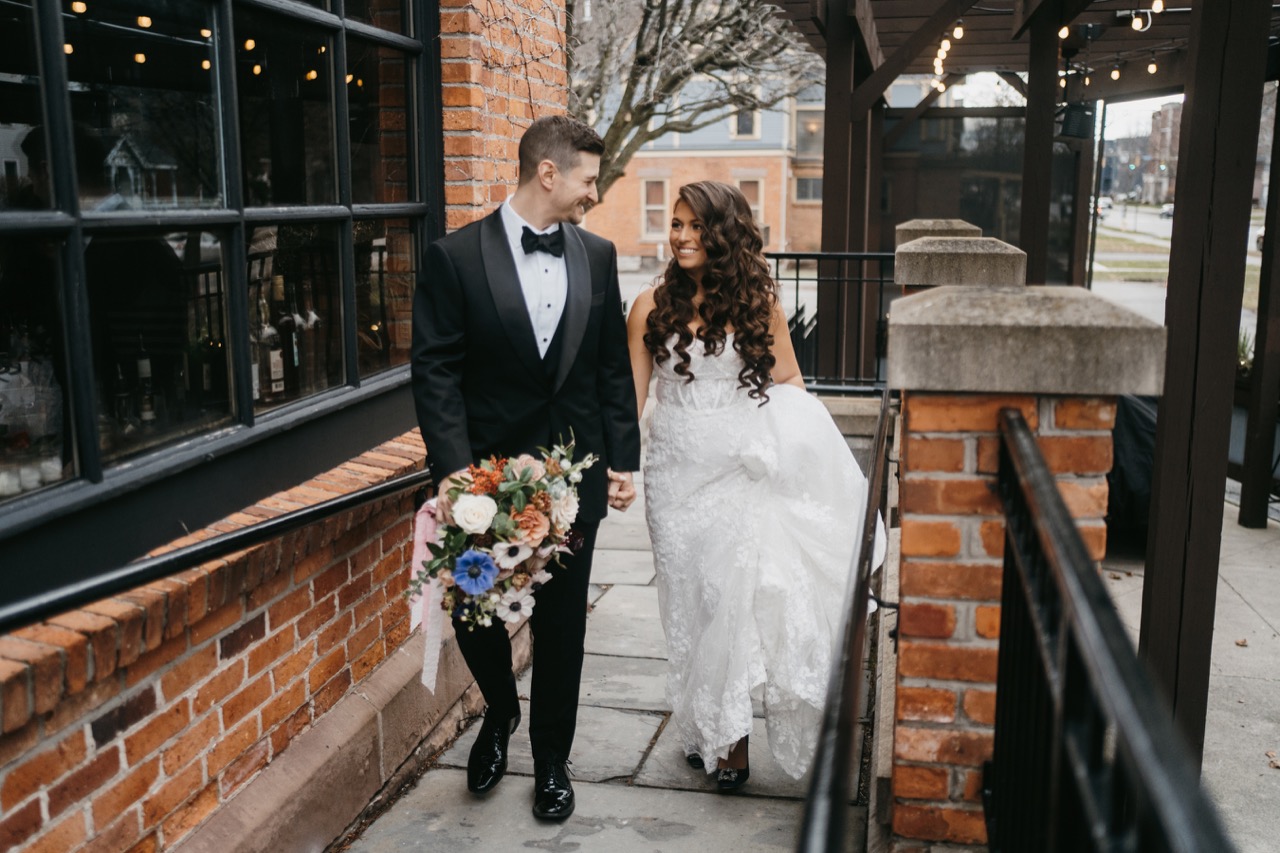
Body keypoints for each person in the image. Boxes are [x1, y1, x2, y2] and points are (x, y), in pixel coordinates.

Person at [411, 115, 641, 821]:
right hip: (483, 482)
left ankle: (550, 759)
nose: (593, 194)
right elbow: (437, 370)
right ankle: (500, 713)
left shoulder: (598, 256)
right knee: (479, 618)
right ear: (549, 172)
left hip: (575, 479)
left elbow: (609, 368)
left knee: (563, 624)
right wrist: (453, 472)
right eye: (587, 178)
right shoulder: (453, 258)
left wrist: (622, 461)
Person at [626, 181, 885, 791]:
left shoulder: (757, 303)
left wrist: (786, 443)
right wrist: (618, 468)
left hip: (740, 471)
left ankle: (732, 742)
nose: (682, 236)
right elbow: (630, 399)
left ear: (723, 234)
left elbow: (789, 378)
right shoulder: (646, 306)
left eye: (695, 226)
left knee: (729, 598)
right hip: (674, 474)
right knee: (685, 603)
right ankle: (702, 724)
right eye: (676, 224)